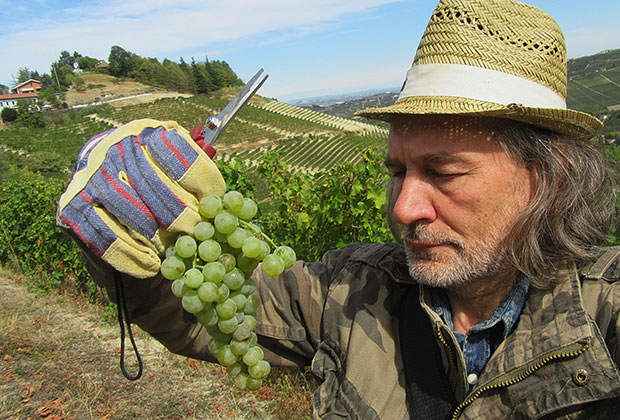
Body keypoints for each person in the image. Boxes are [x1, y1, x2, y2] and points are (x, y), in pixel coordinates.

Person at [57, 0, 620, 418]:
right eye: (397, 170)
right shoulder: (349, 291)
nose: (403, 208)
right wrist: (123, 235)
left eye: (443, 173)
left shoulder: (606, 319)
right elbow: (200, 317)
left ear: (545, 177)